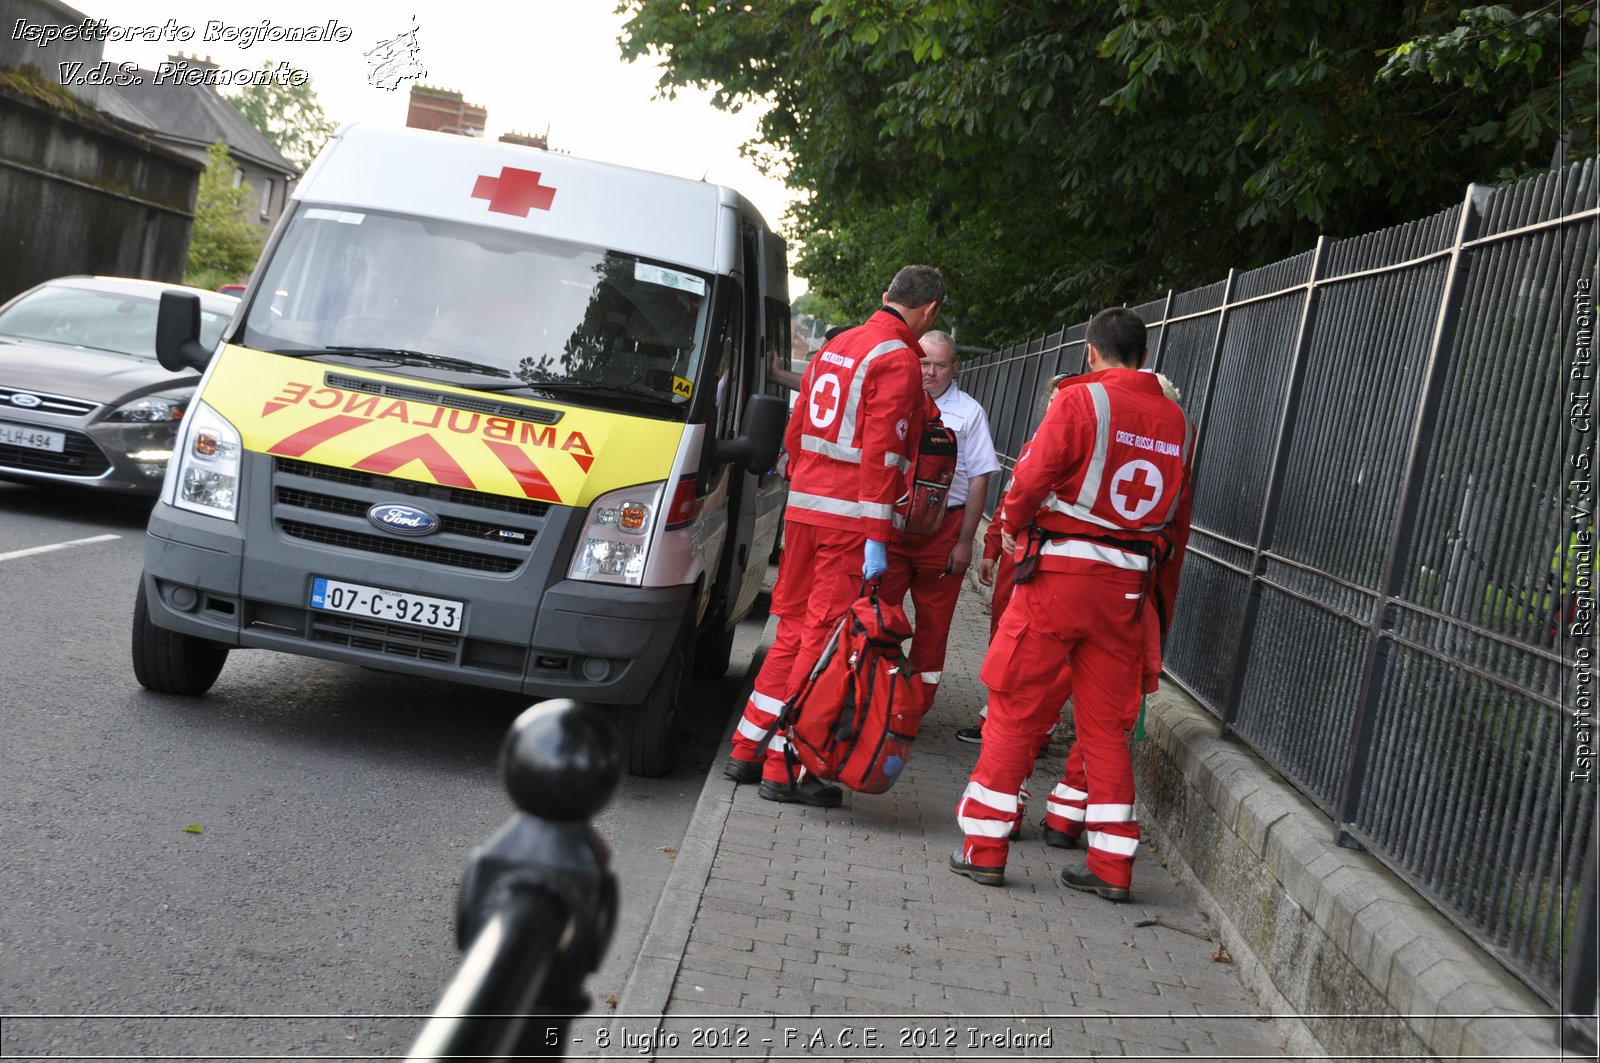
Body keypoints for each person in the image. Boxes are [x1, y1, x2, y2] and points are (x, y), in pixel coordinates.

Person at [950, 308, 1193, 899]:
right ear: (1143, 352)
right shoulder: (1175, 419)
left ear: (1091, 352)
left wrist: (1008, 524)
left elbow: (1032, 477)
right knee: (1106, 727)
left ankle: (984, 848)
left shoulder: (1080, 401)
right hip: (1127, 589)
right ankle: (1112, 866)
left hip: (1061, 575)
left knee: (1013, 704)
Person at [723, 265, 945, 807]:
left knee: (792, 630)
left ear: (886, 296)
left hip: (803, 513)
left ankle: (748, 746)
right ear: (930, 311)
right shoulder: (896, 359)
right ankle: (788, 765)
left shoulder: (840, 343)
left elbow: (797, 429)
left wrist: (800, 487)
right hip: (850, 523)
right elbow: (883, 455)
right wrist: (877, 537)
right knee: (823, 642)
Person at [877, 330, 1000, 710]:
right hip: (894, 527)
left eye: (940, 364)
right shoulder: (895, 399)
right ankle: (876, 697)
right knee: (880, 614)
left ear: (955, 367)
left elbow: (981, 477)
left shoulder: (969, 412)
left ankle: (912, 709)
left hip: (945, 531)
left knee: (933, 628)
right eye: (924, 362)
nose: (930, 372)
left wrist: (965, 542)